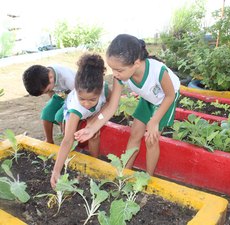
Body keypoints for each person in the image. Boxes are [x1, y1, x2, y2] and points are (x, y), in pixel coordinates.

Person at [75, 34, 180, 176]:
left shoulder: (158, 71)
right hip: (148, 99)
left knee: (151, 140)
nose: (115, 74)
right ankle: (124, 173)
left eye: (119, 70)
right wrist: (92, 128)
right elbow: (112, 106)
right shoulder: (120, 77)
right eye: (112, 69)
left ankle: (148, 179)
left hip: (165, 100)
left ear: (136, 63)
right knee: (135, 134)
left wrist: (154, 121)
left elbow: (170, 96)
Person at [50, 53, 110, 189]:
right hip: (73, 111)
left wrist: (95, 119)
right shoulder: (76, 109)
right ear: (76, 90)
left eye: (92, 100)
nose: (87, 103)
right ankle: (72, 155)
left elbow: (110, 104)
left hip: (94, 114)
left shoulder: (105, 89)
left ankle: (94, 162)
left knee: (94, 135)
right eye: (82, 98)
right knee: (70, 135)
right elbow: (67, 141)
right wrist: (56, 170)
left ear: (100, 92)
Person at [22, 64, 75, 144]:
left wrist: (63, 111)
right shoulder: (44, 76)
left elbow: (80, 98)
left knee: (60, 116)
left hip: (76, 96)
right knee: (46, 113)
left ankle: (68, 142)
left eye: (47, 90)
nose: (46, 92)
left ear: (50, 77)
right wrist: (53, 107)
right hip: (61, 95)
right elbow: (51, 93)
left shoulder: (69, 79)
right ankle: (49, 140)